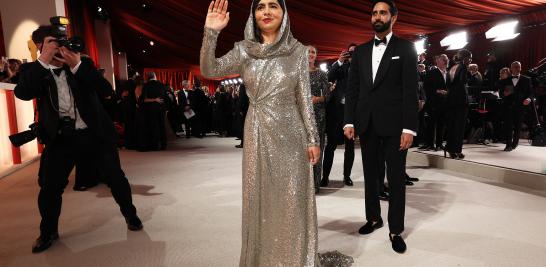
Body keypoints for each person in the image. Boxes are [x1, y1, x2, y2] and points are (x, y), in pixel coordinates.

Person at [200, 0, 352, 266]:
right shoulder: (243, 50)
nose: (267, 11)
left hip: (291, 132)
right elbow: (209, 70)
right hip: (257, 130)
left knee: (292, 198)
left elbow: (303, 98)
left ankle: (295, 258)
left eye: (273, 6)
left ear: (284, 14)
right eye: (260, 7)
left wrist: (313, 139)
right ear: (253, 14)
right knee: (259, 197)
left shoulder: (297, 51)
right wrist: (211, 32)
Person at [14, 25, 142, 253]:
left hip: (95, 135)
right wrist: (43, 60)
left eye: (61, 41)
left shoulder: (81, 65)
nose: (59, 46)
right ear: (40, 45)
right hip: (61, 138)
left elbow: (105, 90)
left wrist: (78, 66)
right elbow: (23, 93)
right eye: (53, 41)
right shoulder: (33, 70)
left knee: (115, 178)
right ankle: (48, 232)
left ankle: (131, 216)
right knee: (50, 187)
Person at [344, 0, 418, 253]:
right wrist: (349, 120)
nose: (377, 16)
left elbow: (410, 91)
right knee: (370, 177)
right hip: (367, 124)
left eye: (383, 12)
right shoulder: (361, 51)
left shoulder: (406, 48)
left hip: (396, 127)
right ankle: (373, 218)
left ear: (393, 18)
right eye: (374, 13)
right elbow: (352, 90)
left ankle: (395, 229)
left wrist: (409, 128)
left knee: (395, 179)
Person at [322, 43, 357, 187]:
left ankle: (347, 176)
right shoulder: (339, 66)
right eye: (350, 52)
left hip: (352, 112)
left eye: (355, 53)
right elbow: (329, 77)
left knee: (350, 147)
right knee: (330, 145)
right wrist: (340, 61)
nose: (352, 55)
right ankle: (325, 177)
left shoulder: (362, 68)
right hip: (336, 112)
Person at [308, 45, 330, 193]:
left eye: (313, 52)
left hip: (318, 115)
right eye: (308, 52)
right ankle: (304, 184)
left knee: (318, 147)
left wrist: (318, 99)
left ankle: (315, 184)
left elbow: (328, 95)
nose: (310, 54)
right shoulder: (297, 73)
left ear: (316, 56)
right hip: (300, 115)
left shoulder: (322, 74)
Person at [498, 61, 533, 151]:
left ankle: (515, 143)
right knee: (508, 126)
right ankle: (508, 144)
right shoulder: (505, 81)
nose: (517, 68)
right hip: (508, 106)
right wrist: (504, 94)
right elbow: (500, 93)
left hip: (521, 107)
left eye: (518, 67)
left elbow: (531, 93)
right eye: (515, 67)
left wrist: (528, 99)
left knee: (518, 126)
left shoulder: (527, 79)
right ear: (511, 68)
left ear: (520, 68)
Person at [445, 49, 472, 159]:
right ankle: (456, 150)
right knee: (459, 127)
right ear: (464, 58)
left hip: (451, 100)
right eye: (469, 58)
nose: (470, 60)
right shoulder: (463, 67)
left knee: (452, 126)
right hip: (460, 101)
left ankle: (450, 148)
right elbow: (462, 82)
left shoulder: (452, 68)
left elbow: (448, 85)